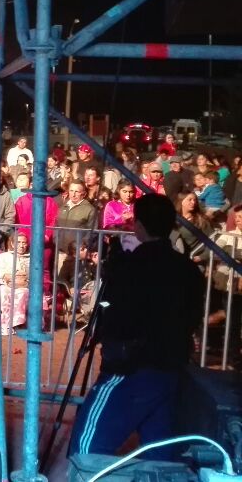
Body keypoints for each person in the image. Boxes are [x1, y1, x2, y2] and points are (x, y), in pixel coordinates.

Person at [67, 193, 204, 460]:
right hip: (171, 366)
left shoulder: (130, 266)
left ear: (139, 226)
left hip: (131, 367)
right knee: (161, 454)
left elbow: (112, 312)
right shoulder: (189, 270)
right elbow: (193, 316)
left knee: (86, 447)